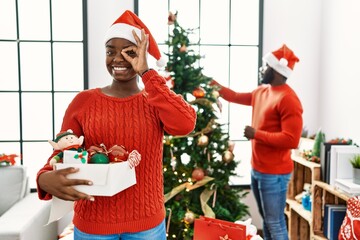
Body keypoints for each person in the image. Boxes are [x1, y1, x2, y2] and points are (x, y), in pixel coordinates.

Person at [36, 10, 196, 240]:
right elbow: (62, 151)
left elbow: (185, 123)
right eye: (111, 51)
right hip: (93, 225)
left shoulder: (154, 101)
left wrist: (147, 73)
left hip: (146, 226)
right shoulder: (83, 102)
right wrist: (43, 178)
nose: (118, 59)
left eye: (129, 53)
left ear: (141, 55)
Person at [212, 44, 303, 240]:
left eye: (266, 66)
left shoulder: (289, 99)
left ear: (277, 71)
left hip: (275, 173)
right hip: (258, 169)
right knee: (267, 221)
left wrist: (256, 134)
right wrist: (212, 84)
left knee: (274, 222)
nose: (262, 69)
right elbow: (235, 96)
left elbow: (292, 139)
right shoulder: (262, 91)